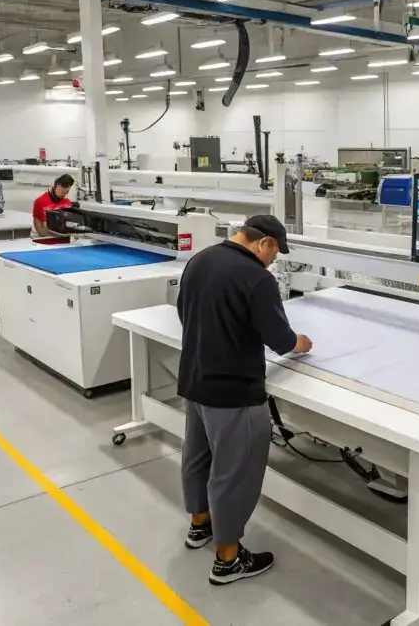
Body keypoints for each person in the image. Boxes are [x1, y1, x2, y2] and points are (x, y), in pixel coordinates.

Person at [176, 214, 313, 586]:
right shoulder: (257, 278)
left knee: (197, 456)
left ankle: (199, 526)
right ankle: (228, 560)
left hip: (195, 380)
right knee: (235, 474)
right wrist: (303, 343)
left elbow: (182, 312)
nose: (273, 261)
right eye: (274, 253)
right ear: (263, 243)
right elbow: (281, 340)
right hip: (234, 392)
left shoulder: (199, 260)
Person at [30, 173, 75, 238]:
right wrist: (57, 236)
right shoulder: (39, 202)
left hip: (61, 238)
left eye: (67, 192)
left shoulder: (67, 203)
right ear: (57, 186)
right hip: (40, 239)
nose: (65, 195)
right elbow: (39, 229)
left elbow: (70, 225)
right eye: (63, 192)